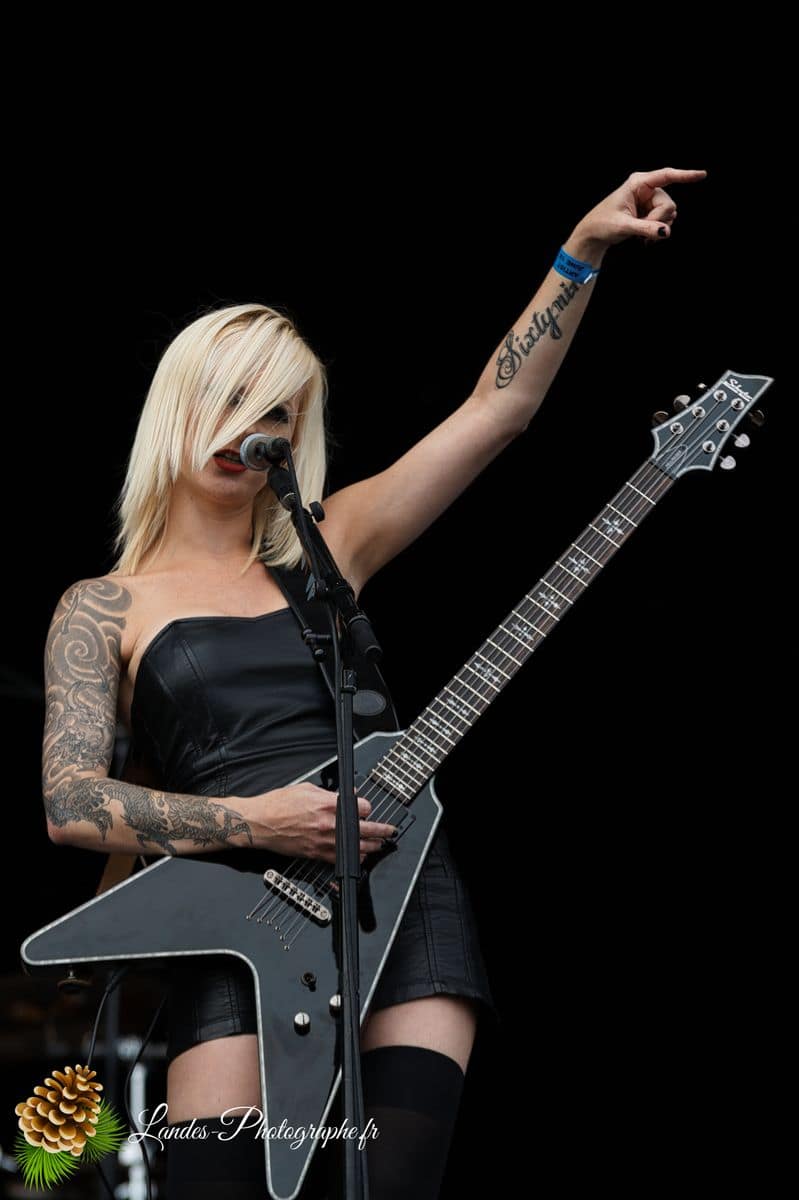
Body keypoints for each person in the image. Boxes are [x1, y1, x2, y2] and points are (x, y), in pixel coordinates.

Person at [40, 167, 706, 1199]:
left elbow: (498, 410)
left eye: (274, 407)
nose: (250, 422)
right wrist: (257, 820)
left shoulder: (327, 543)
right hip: (232, 912)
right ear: (180, 402)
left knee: (393, 1181)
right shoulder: (103, 606)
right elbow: (71, 802)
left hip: (401, 886)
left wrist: (579, 254)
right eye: (229, 395)